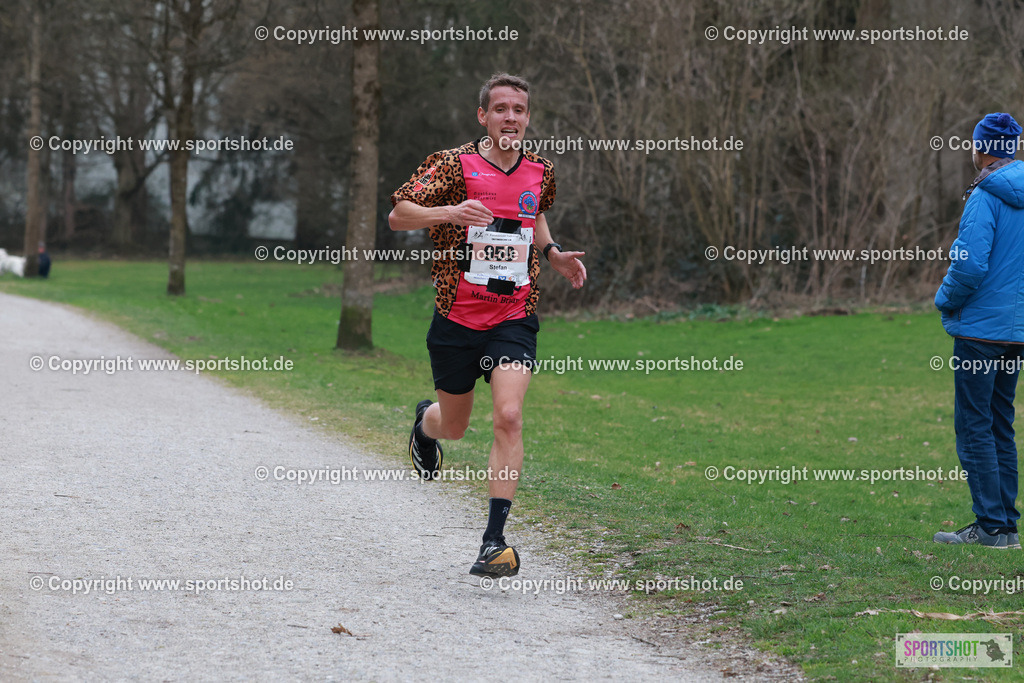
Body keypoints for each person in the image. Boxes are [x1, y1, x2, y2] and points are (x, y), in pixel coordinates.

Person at [388, 73, 587, 577]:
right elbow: (398, 215)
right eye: (500, 109)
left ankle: (493, 541)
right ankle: (424, 425)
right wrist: (449, 211)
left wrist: (552, 253)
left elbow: (534, 217)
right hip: (456, 319)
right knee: (453, 426)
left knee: (509, 415)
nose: (510, 118)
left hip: (513, 317)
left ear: (527, 117)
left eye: (519, 109)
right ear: (483, 116)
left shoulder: (541, 171)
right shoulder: (454, 165)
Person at [934, 112, 1024, 549]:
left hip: (981, 333)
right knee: (999, 423)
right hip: (1016, 333)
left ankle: (991, 526)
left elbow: (969, 265)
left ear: (982, 148)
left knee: (974, 425)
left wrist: (945, 300)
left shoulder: (984, 196)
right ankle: (1005, 527)